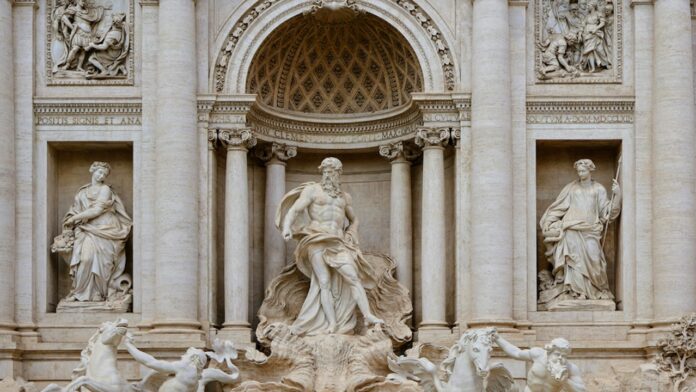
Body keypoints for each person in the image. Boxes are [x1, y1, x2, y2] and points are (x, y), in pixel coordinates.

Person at [276, 157, 384, 335]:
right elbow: (295, 210)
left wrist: (352, 232)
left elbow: (354, 219)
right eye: (325, 171)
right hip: (316, 238)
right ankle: (332, 324)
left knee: (353, 277)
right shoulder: (312, 191)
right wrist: (287, 227)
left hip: (338, 242)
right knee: (323, 282)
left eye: (332, 171)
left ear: (338, 174)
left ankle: (368, 315)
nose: (328, 175)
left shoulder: (344, 197)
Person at [539, 159, 620, 305]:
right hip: (571, 229)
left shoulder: (599, 189)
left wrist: (617, 196)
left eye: (583, 171)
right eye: (579, 171)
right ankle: (577, 293)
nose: (580, 173)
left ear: (590, 170)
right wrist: (550, 221)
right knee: (573, 261)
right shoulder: (571, 188)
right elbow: (559, 207)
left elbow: (607, 214)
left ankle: (597, 291)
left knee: (595, 259)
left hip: (590, 230)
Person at [61, 161, 132, 302]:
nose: (102, 176)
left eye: (104, 174)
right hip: (87, 229)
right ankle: (79, 293)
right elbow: (75, 209)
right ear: (92, 171)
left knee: (103, 263)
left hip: (106, 228)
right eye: (99, 172)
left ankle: (99, 293)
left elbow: (97, 210)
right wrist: (71, 218)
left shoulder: (105, 189)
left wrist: (75, 218)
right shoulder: (82, 192)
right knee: (86, 259)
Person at [495, 335, 586, 392]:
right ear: (549, 352)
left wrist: (565, 381)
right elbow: (516, 353)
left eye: (564, 356)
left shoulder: (570, 368)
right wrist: (498, 339)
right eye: (557, 354)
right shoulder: (538, 355)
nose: (560, 358)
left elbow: (581, 390)